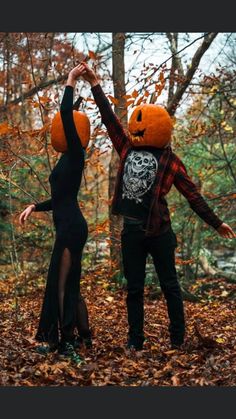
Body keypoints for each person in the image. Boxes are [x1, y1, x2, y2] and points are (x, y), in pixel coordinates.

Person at [78, 61, 236, 351]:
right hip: (132, 232)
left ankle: (177, 340)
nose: (137, 126)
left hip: (160, 232)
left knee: (170, 287)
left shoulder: (171, 160)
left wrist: (216, 222)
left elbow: (193, 195)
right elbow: (110, 119)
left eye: (144, 123)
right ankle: (135, 341)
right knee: (134, 289)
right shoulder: (126, 148)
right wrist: (95, 84)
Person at [19, 65, 92, 363]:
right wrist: (36, 206)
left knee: (61, 285)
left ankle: (67, 343)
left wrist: (71, 81)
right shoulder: (65, 159)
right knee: (69, 282)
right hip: (69, 222)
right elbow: (60, 199)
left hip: (71, 228)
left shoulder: (76, 153)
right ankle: (83, 336)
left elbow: (65, 116)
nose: (59, 128)